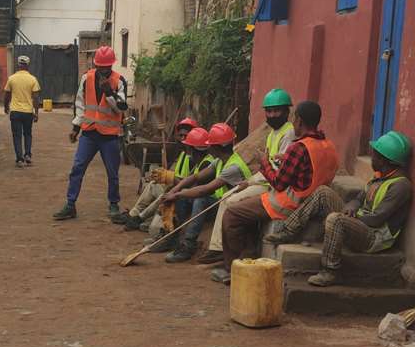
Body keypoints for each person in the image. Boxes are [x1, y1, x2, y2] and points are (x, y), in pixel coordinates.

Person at [211, 100, 339, 284]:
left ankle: (233, 270)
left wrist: (264, 162)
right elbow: (311, 170)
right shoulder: (329, 145)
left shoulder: (298, 147)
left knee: (232, 213)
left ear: (299, 121)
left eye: (294, 119)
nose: (293, 123)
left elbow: (279, 183)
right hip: (312, 199)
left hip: (290, 201)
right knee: (244, 210)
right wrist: (284, 160)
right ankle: (248, 256)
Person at [264, 130, 412, 287]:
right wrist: (351, 207)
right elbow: (358, 199)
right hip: (361, 222)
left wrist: (351, 217)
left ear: (384, 160)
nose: (372, 158)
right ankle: (288, 231)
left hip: (374, 237)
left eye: (375, 155)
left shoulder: (400, 186)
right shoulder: (381, 176)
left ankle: (330, 271)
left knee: (335, 220)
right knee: (323, 192)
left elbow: (376, 219)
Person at [199, 88, 295, 265]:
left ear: (286, 111)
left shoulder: (289, 133)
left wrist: (255, 179)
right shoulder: (273, 134)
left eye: (276, 111)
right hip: (264, 180)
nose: (272, 115)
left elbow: (276, 169)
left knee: (231, 203)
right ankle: (217, 247)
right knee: (228, 198)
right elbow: (265, 166)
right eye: (269, 111)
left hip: (273, 186)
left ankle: (228, 251)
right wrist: (249, 181)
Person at [53, 46, 128, 220]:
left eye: (106, 67)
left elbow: (121, 108)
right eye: (100, 67)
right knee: (77, 168)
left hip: (109, 135)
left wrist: (109, 92)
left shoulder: (119, 81)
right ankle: (70, 205)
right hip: (89, 133)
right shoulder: (87, 78)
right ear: (96, 64)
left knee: (112, 172)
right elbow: (80, 104)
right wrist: (75, 128)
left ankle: (114, 204)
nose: (103, 70)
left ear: (111, 65)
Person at [162, 123, 252, 262]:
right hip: (223, 202)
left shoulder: (232, 167)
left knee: (200, 199)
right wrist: (175, 190)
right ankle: (172, 237)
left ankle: (189, 245)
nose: (208, 148)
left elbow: (205, 189)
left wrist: (178, 193)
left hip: (234, 207)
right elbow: (196, 177)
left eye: (210, 145)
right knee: (183, 197)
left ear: (215, 148)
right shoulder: (219, 160)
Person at [110, 117, 200, 232]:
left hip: (185, 197)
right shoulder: (183, 153)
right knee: (154, 184)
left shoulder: (194, 158)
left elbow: (190, 184)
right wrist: (164, 176)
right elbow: (179, 178)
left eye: (186, 136)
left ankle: (140, 218)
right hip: (177, 189)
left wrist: (170, 177)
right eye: (180, 135)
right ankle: (133, 215)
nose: (182, 139)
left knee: (154, 223)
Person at [3, 56, 41, 167]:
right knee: (28, 134)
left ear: (18, 65)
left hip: (15, 111)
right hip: (28, 112)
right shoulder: (33, 79)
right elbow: (36, 97)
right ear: (28, 66)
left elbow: (7, 95)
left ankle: (19, 159)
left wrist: (6, 107)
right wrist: (36, 112)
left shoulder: (11, 79)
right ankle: (28, 155)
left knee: (17, 135)